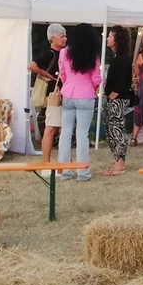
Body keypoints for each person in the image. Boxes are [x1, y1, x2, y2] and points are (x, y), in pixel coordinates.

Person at [57, 23, 100, 182]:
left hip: (68, 93)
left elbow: (62, 74)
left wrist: (68, 84)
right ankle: (83, 173)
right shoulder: (93, 55)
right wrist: (93, 87)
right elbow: (96, 78)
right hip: (86, 95)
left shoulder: (64, 53)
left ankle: (65, 171)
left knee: (66, 133)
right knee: (82, 135)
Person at [30, 24, 66, 164]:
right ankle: (46, 161)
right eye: (62, 36)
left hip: (61, 94)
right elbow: (31, 66)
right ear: (52, 38)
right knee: (51, 128)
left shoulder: (63, 54)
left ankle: (61, 160)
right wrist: (48, 76)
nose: (65, 39)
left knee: (60, 128)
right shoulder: (49, 54)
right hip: (52, 96)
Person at [101, 25, 132, 177]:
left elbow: (121, 82)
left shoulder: (122, 59)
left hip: (117, 99)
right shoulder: (117, 58)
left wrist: (112, 96)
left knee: (116, 129)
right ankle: (117, 162)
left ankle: (120, 164)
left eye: (110, 36)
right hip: (114, 98)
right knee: (112, 130)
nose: (107, 38)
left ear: (117, 39)